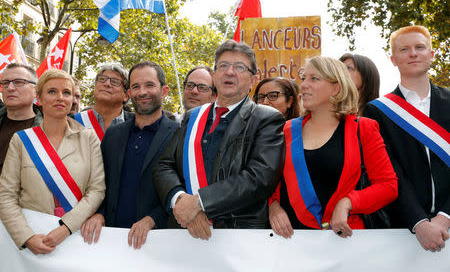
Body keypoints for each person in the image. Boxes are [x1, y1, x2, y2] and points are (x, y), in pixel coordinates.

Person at [153, 40, 285, 240]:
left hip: (239, 236)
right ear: (214, 76)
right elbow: (164, 165)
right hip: (185, 235)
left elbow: (259, 178)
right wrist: (181, 201)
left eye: (240, 67)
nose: (230, 72)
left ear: (252, 80)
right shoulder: (192, 117)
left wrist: (200, 203)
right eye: (223, 66)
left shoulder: (266, 119)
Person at [269, 56, 398, 239]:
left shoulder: (364, 128)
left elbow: (388, 186)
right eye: (304, 78)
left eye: (314, 79)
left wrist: (349, 202)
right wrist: (273, 207)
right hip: (291, 241)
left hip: (345, 242)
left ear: (336, 88)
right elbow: (269, 181)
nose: (304, 85)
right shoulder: (287, 129)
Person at [0, 69, 105, 254]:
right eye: (52, 91)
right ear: (38, 98)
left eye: (67, 93)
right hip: (28, 239)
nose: (60, 97)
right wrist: (26, 237)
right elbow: (6, 195)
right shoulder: (22, 140)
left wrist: (65, 228)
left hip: (76, 236)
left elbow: (97, 190)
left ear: (73, 99)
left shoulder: (88, 138)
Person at [364, 25, 450, 252]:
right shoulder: (378, 110)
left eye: (420, 47)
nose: (413, 53)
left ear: (431, 55)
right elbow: (389, 170)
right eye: (404, 49)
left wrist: (445, 217)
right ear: (393, 59)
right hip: (404, 229)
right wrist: (419, 222)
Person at [81, 61, 179, 249]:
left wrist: (152, 219)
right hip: (109, 239)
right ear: (128, 94)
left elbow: (182, 189)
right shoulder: (114, 133)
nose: (142, 92)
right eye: (135, 86)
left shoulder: (179, 134)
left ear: (164, 90)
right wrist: (99, 213)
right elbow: (100, 182)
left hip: (156, 242)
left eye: (149, 85)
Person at [0, 63, 43, 173]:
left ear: (35, 90)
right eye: (5, 83)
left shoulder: (48, 130)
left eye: (18, 82)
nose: (10, 88)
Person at [73, 64, 133, 140]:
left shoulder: (137, 124)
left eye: (115, 82)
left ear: (126, 96)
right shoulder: (73, 122)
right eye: (102, 79)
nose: (107, 84)